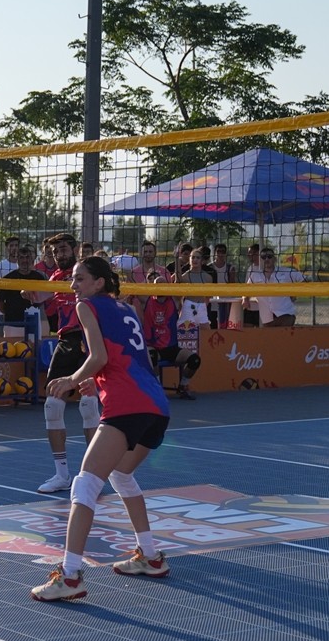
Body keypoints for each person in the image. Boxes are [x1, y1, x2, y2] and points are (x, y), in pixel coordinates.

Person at [30, 256, 172, 602]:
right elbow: (135, 360)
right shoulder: (127, 310)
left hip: (128, 404)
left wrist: (72, 379)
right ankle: (150, 556)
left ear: (98, 283)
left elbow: (98, 356)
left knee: (85, 484)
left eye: (79, 278)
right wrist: (97, 381)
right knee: (122, 476)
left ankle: (70, 576)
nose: (72, 285)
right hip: (157, 404)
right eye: (73, 279)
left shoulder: (86, 306)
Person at [20, 233, 100, 493]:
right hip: (65, 342)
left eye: (63, 250)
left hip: (89, 341)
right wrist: (33, 297)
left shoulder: (89, 275)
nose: (60, 255)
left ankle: (92, 476)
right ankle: (62, 475)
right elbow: (47, 304)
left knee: (89, 405)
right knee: (52, 406)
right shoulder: (54, 280)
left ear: (75, 249)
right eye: (55, 252)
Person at [142, 272, 201, 400]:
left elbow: (179, 281)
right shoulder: (146, 299)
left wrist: (176, 260)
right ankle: (158, 390)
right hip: (153, 346)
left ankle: (182, 387)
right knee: (151, 356)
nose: (161, 287)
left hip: (171, 347)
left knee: (195, 360)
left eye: (163, 284)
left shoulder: (173, 299)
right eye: (157, 285)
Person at [244, 247, 304, 328]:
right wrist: (245, 299)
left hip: (285, 314)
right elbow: (246, 289)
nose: (266, 259)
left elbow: (303, 280)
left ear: (274, 258)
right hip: (267, 318)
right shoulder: (255, 275)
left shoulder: (286, 272)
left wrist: (294, 292)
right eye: (263, 257)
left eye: (269, 256)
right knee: (272, 339)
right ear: (261, 260)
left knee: (283, 336)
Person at [0, 245, 46, 324]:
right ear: (17, 260)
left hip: (34, 321)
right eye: (21, 257)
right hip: (13, 322)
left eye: (27, 257)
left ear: (32, 259)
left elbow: (46, 298)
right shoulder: (8, 279)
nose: (25, 260)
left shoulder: (39, 277)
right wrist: (10, 312)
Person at [172, 249, 211, 328]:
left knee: (206, 334)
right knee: (185, 333)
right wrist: (176, 259)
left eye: (197, 258)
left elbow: (208, 297)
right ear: (189, 260)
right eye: (192, 257)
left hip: (202, 306)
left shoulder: (208, 277)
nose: (195, 260)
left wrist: (202, 306)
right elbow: (178, 280)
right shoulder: (186, 276)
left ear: (202, 261)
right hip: (189, 306)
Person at [211, 243, 237, 328]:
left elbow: (233, 285)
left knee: (226, 324)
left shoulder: (230, 267)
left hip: (226, 300)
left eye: (223, 252)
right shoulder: (210, 267)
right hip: (213, 300)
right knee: (213, 323)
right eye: (218, 251)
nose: (221, 254)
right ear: (214, 253)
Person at [242, 243, 262, 328]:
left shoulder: (266, 268)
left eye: (251, 253)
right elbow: (247, 286)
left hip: (262, 307)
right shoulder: (250, 269)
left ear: (258, 253)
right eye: (249, 253)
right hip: (250, 306)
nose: (249, 255)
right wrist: (245, 298)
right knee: (247, 329)